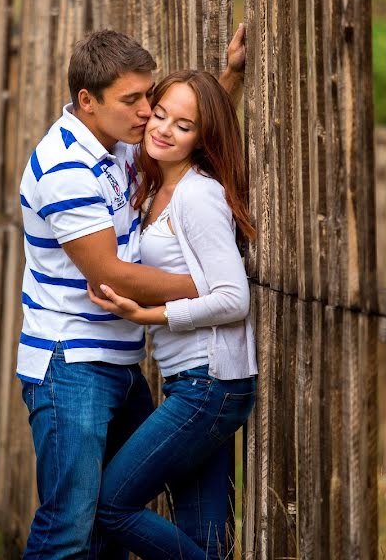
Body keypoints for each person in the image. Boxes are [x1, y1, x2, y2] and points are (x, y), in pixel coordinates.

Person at [17, 29, 245, 559]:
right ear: (87, 102)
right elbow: (109, 273)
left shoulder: (111, 145)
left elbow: (182, 133)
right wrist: (209, 286)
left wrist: (229, 78)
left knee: (104, 534)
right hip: (71, 364)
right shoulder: (64, 168)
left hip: (118, 366)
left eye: (149, 96)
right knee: (69, 527)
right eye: (133, 100)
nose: (147, 112)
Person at [88, 69, 258, 560]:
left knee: (111, 505)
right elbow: (194, 114)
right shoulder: (155, 183)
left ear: (202, 137)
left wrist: (152, 315)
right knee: (206, 542)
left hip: (211, 385)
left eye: (183, 126)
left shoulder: (198, 196)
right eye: (160, 115)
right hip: (197, 382)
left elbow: (233, 299)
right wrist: (230, 75)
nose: (163, 129)